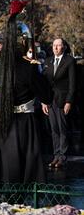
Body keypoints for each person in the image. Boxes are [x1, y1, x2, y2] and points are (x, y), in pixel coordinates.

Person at [0, 1, 52, 187]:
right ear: (23, 43)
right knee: (25, 173)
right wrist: (37, 69)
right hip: (24, 123)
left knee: (4, 172)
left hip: (2, 122)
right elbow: (47, 96)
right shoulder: (28, 67)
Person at [42, 38, 76, 169]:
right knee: (54, 129)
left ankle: (62, 157)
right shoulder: (48, 61)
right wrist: (43, 101)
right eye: (54, 45)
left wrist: (69, 101)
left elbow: (73, 84)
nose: (55, 48)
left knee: (62, 129)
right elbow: (44, 83)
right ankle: (56, 155)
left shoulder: (70, 61)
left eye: (58, 45)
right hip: (50, 101)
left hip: (63, 100)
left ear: (64, 47)